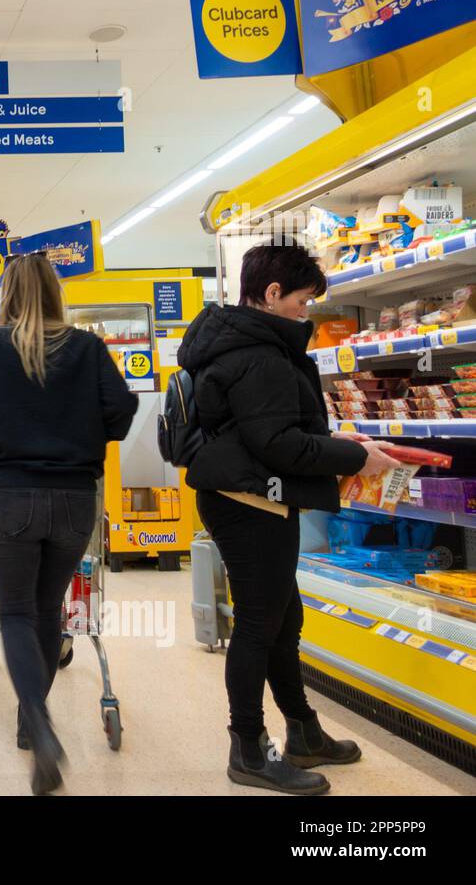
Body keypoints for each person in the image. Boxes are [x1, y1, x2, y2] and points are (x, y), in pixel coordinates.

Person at [178, 242, 399, 795]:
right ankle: (248, 750)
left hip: (248, 495)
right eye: (303, 301)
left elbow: (268, 432)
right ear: (272, 294)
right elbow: (277, 444)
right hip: (253, 503)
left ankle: (303, 731)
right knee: (259, 625)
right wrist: (354, 457)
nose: (307, 312)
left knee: (282, 620)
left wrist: (331, 439)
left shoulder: (241, 343)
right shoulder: (260, 355)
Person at [0, 251, 138, 794]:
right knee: (48, 611)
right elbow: (121, 410)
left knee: (16, 612)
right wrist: (82, 430)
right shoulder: (88, 347)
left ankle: (40, 727)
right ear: (54, 292)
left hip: (13, 497)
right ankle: (33, 719)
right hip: (74, 499)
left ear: (7, 296)